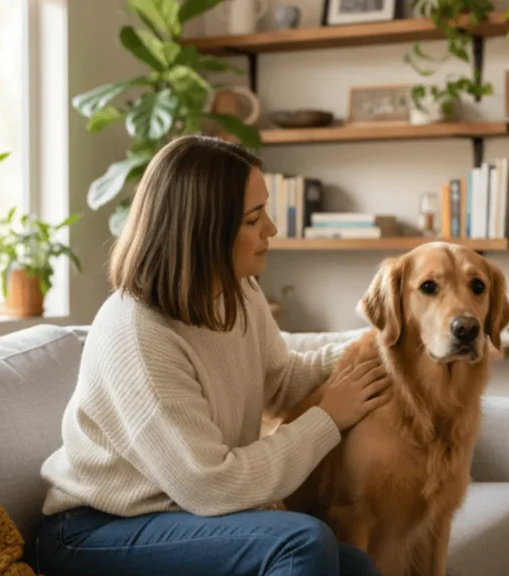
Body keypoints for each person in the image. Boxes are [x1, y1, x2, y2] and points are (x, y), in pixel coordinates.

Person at [35, 134, 392, 576]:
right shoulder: (137, 330)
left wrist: (381, 342)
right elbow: (210, 485)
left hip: (179, 516)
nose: (272, 230)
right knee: (304, 542)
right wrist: (327, 420)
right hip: (92, 532)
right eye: (253, 219)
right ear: (202, 231)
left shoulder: (237, 290)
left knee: (352, 564)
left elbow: (280, 382)